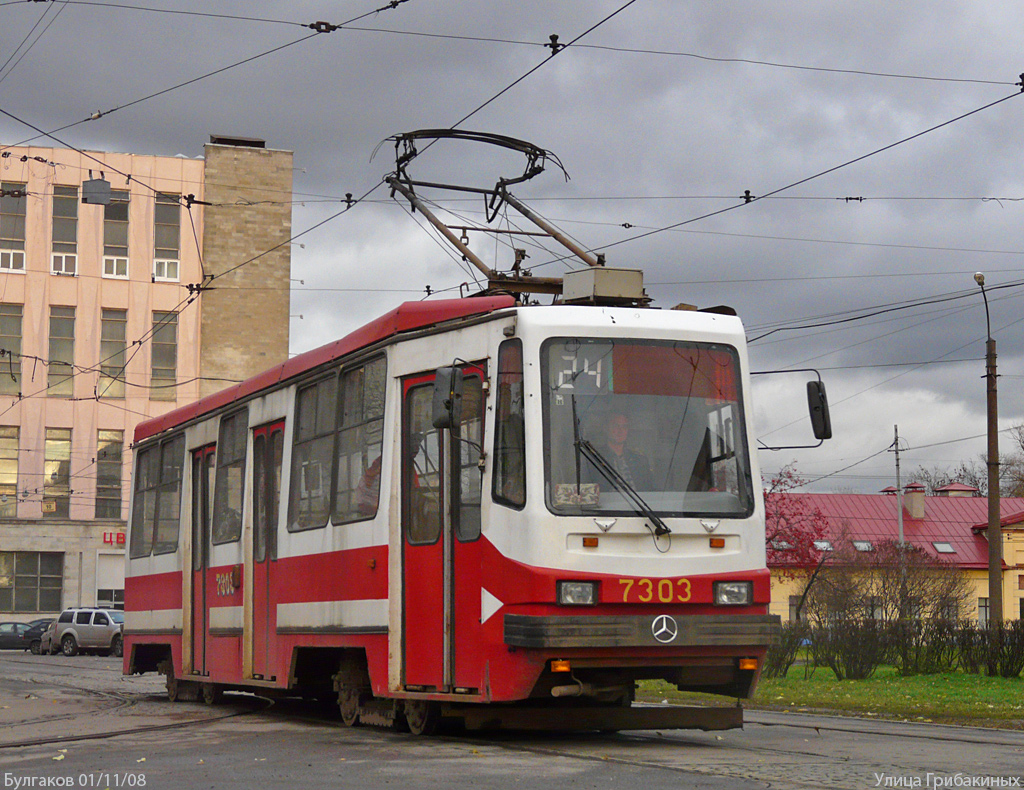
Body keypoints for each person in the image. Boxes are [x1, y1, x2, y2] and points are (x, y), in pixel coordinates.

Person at [585, 411, 653, 491]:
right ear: (606, 428)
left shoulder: (640, 461)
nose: (620, 431)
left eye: (624, 427)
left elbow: (650, 491)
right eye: (615, 426)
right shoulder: (594, 459)